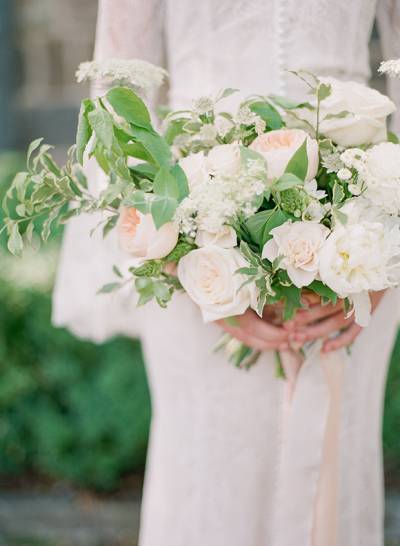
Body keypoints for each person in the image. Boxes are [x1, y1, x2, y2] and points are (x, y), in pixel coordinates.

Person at [53, 1, 400, 545]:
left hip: (362, 231)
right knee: (208, 477)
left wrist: (385, 254)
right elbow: (118, 91)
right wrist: (179, 255)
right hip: (189, 218)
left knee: (334, 464)